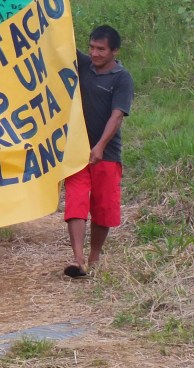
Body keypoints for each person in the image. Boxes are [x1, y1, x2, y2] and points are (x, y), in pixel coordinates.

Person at [64, 25, 134, 279]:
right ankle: (78, 259)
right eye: (92, 47)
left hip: (107, 154)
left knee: (103, 207)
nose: (94, 53)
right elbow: (61, 34)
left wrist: (100, 146)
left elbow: (117, 117)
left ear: (114, 51)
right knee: (76, 201)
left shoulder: (121, 78)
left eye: (101, 49)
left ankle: (94, 258)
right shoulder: (83, 64)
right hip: (76, 151)